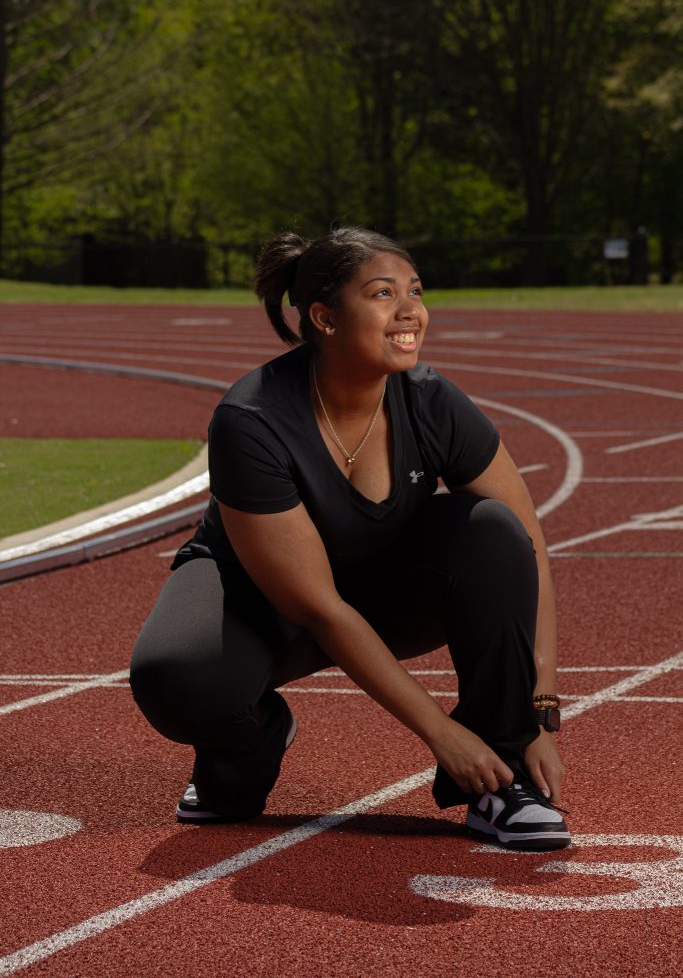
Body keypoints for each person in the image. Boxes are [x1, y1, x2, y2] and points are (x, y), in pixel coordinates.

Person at [130, 227, 569, 851]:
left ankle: (501, 773)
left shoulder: (432, 401)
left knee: (495, 532)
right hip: (266, 602)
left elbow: (531, 547)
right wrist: (441, 734)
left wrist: (539, 714)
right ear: (325, 318)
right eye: (384, 294)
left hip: (376, 586)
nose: (410, 310)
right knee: (177, 678)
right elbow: (317, 606)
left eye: (415, 291)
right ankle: (249, 742)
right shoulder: (251, 419)